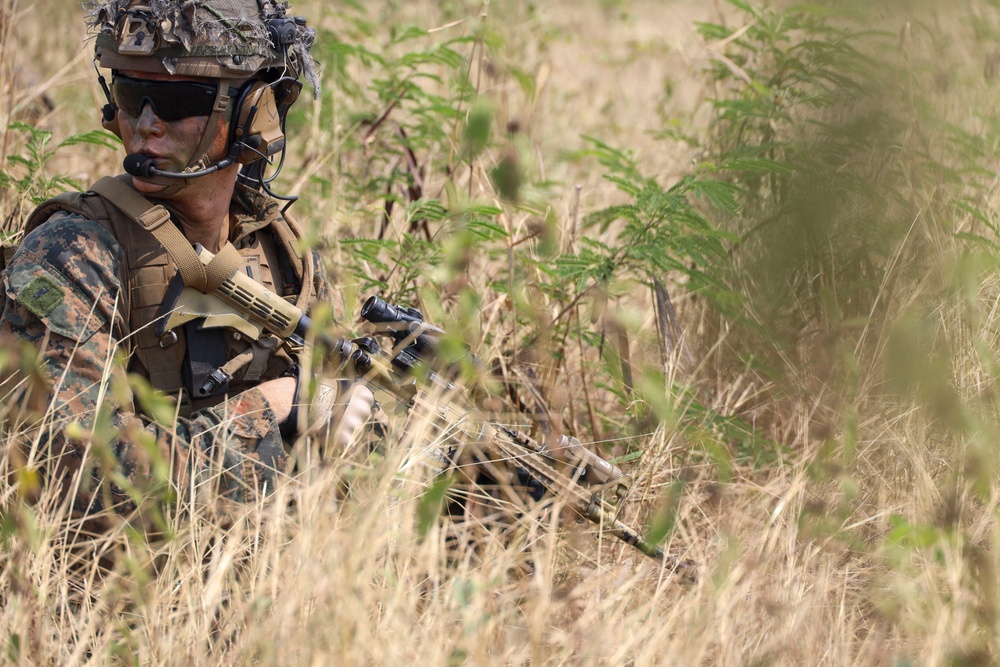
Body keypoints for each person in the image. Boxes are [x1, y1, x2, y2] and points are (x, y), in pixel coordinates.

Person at [0, 0, 370, 529]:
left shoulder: (280, 248)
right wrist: (270, 412)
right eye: (130, 94)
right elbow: (69, 478)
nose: (146, 124)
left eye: (175, 100)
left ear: (254, 110)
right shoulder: (73, 254)